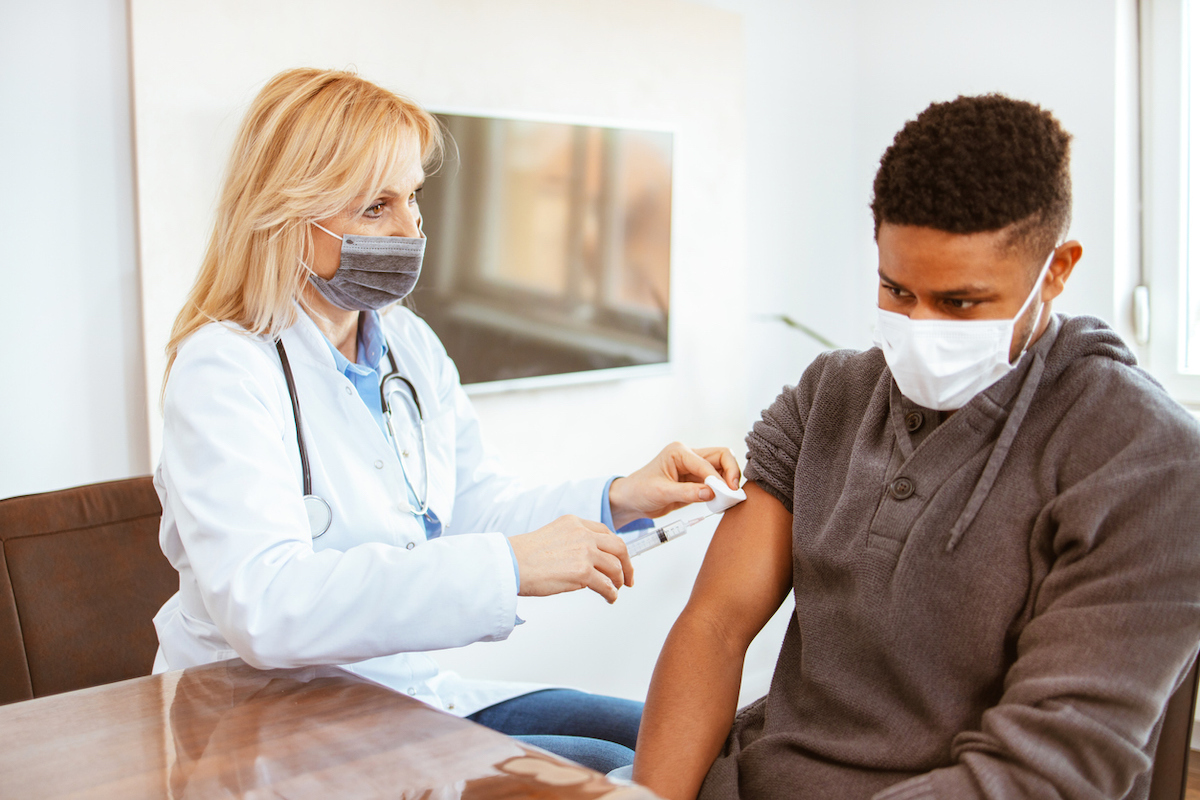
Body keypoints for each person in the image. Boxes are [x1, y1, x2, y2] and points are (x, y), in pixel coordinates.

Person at [151, 67, 740, 774]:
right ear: (285, 216)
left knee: (685, 740)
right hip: (268, 720)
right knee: (607, 775)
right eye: (377, 207)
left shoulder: (407, 346)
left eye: (414, 198)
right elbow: (266, 606)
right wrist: (511, 567)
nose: (413, 229)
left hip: (403, 692)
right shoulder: (223, 370)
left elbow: (472, 506)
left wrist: (617, 498)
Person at [633, 94, 1200, 799]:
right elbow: (715, 625)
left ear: (1056, 270)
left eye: (960, 304)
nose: (920, 325)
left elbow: (1042, 776)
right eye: (897, 290)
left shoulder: (1147, 459)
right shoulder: (829, 395)